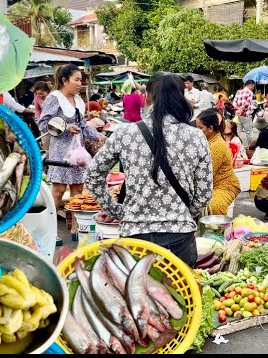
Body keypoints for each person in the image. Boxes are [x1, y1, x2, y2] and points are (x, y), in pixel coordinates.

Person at [84, 72, 212, 267]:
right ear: (181, 97)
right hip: (179, 238)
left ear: (148, 97)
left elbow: (92, 176)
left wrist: (117, 211)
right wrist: (183, 212)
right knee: (180, 295)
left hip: (135, 237)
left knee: (135, 296)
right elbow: (204, 194)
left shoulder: (125, 133)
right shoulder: (196, 136)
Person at [39, 64, 101, 246]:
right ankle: (51, 231)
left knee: (77, 190)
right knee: (58, 191)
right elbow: (43, 124)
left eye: (81, 80)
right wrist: (66, 128)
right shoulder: (54, 98)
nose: (80, 83)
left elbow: (82, 126)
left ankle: (76, 228)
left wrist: (99, 135)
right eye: (77, 79)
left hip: (78, 152)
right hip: (61, 151)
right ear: (65, 81)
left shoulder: (78, 101)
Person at [196, 109, 241, 216]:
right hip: (212, 185)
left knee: (213, 206)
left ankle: (216, 232)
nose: (197, 131)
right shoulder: (208, 141)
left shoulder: (216, 146)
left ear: (210, 128)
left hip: (225, 186)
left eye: (200, 128)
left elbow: (205, 175)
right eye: (196, 128)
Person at [232, 79, 255, 145]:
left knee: (237, 132)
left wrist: (238, 109)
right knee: (249, 133)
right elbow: (247, 103)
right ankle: (250, 148)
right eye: (253, 86)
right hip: (246, 115)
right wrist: (241, 109)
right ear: (250, 85)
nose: (253, 88)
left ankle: (235, 146)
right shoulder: (250, 92)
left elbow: (234, 102)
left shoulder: (238, 92)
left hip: (238, 115)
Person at [33, 81, 52, 152]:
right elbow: (37, 109)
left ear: (47, 91)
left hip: (54, 121)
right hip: (44, 123)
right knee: (45, 143)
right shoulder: (37, 97)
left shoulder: (52, 97)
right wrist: (38, 120)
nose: (40, 95)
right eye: (38, 93)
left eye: (42, 93)